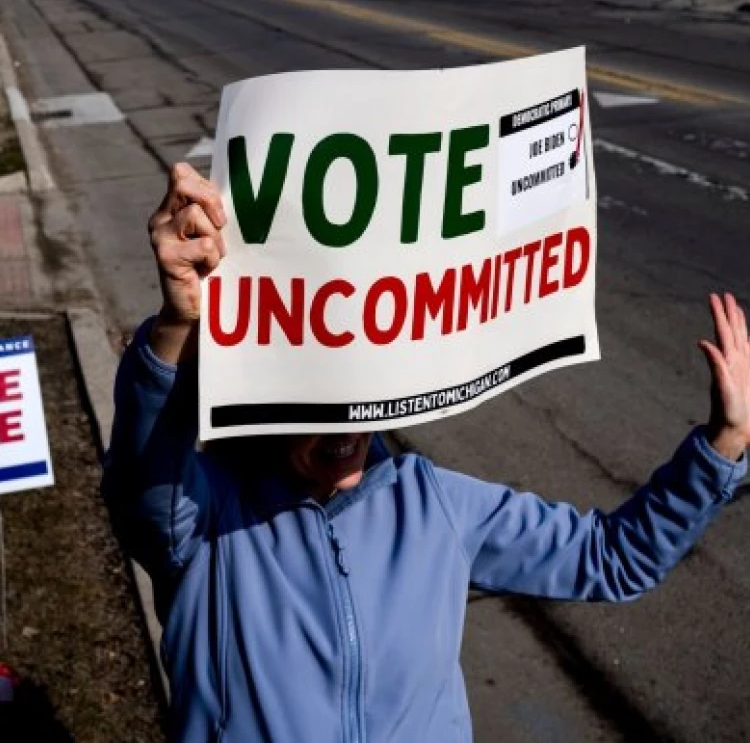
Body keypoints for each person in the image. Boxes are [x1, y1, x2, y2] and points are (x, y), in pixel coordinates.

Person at [103, 163, 749, 743]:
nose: (344, 423)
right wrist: (179, 325)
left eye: (363, 391)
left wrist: (723, 445)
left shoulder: (432, 503)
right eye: (317, 397)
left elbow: (611, 557)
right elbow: (141, 479)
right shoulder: (204, 518)